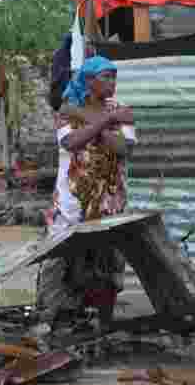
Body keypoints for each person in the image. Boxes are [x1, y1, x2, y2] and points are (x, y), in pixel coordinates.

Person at [37, 55, 136, 327]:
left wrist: (100, 123)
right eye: (106, 77)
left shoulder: (121, 109)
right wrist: (106, 122)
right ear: (89, 81)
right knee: (59, 258)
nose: (112, 82)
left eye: (114, 77)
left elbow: (124, 148)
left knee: (108, 260)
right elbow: (71, 141)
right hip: (71, 202)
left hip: (109, 201)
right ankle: (51, 317)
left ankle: (103, 321)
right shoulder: (67, 110)